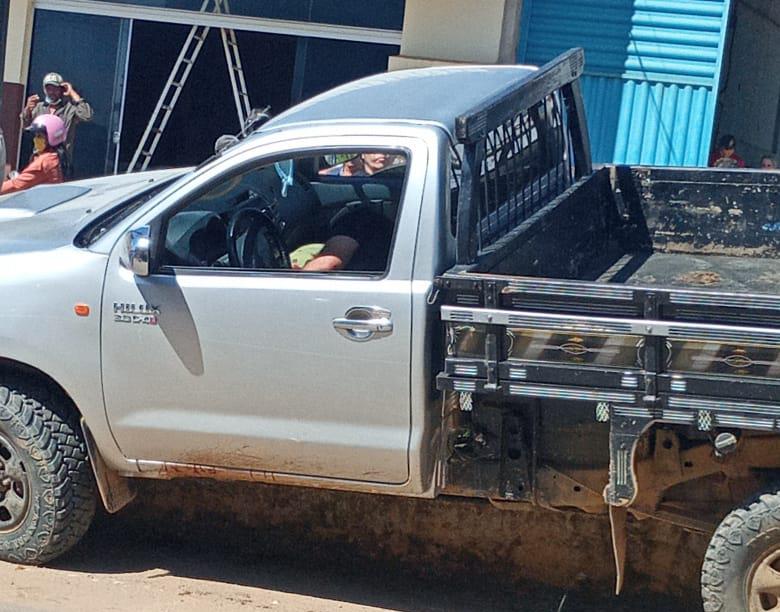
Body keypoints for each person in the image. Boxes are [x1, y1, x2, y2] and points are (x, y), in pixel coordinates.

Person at [20, 72, 93, 169]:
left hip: (60, 162)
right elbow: (25, 126)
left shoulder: (69, 109)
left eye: (55, 89)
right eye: (48, 89)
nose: (52, 92)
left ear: (61, 90)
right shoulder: (39, 107)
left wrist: (72, 93)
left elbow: (87, 116)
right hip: (39, 159)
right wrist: (27, 109)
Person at [1, 115, 67, 195]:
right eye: (35, 136)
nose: (35, 139)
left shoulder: (45, 161)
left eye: (39, 136)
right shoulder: (58, 157)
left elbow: (16, 185)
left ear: (51, 137)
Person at [319, 152, 397, 177]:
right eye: (374, 149)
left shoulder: (400, 178)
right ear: (362, 155)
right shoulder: (351, 176)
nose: (382, 154)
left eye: (387, 150)